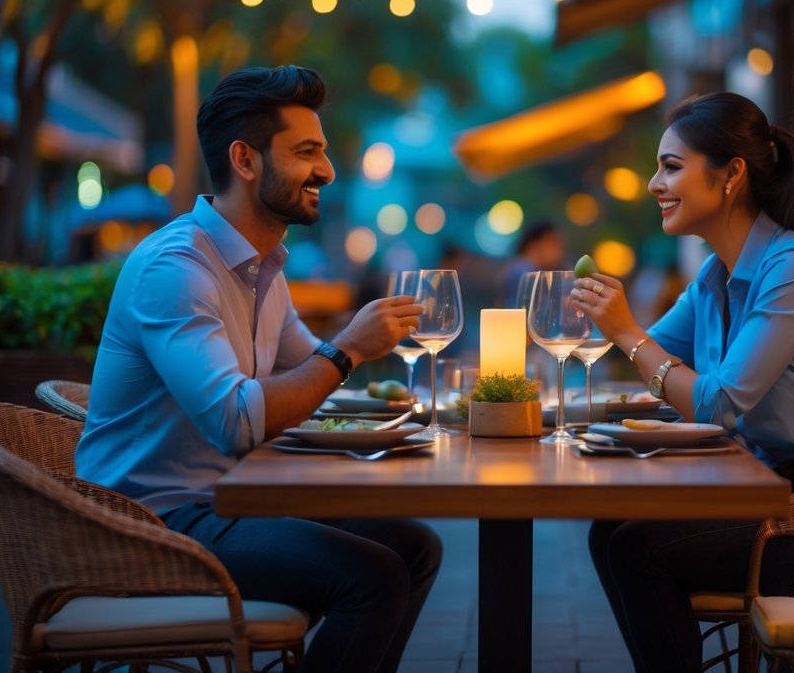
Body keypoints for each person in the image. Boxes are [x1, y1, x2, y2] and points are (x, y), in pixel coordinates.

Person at [75, 66, 441, 673]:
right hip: (148, 525)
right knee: (372, 577)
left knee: (413, 547)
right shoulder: (178, 268)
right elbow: (237, 421)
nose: (326, 170)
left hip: (222, 502)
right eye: (307, 152)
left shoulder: (260, 264)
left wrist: (401, 396)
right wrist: (349, 349)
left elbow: (308, 368)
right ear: (245, 160)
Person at [571, 92, 794, 673]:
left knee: (639, 550)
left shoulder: (791, 267)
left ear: (731, 174)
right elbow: (652, 369)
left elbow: (715, 402)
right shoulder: (715, 278)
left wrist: (626, 334)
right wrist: (583, 350)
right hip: (771, 492)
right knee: (610, 529)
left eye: (670, 167)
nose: (652, 184)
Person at [498, 220, 566, 307]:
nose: (560, 252)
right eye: (554, 244)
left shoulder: (514, 267)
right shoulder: (524, 272)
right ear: (535, 244)